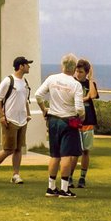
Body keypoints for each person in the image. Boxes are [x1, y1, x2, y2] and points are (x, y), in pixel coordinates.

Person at [32, 53, 85, 197]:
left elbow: (38, 95)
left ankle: (51, 187)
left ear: (62, 66)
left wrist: (44, 110)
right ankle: (64, 188)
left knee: (54, 155)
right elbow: (79, 108)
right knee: (66, 155)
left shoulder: (52, 79)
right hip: (68, 121)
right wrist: (81, 117)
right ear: (74, 68)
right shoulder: (76, 85)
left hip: (53, 119)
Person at [0, 56, 31, 185]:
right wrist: (2, 116)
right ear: (21, 66)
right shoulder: (8, 81)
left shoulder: (25, 82)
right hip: (10, 120)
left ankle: (16, 175)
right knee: (8, 149)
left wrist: (28, 114)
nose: (29, 67)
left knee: (18, 148)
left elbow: (25, 100)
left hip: (22, 120)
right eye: (27, 64)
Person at [73, 57, 99, 190]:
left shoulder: (89, 83)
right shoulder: (72, 83)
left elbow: (93, 95)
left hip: (88, 120)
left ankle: (82, 177)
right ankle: (69, 176)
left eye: (81, 72)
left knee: (85, 150)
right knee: (73, 150)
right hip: (74, 120)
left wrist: (91, 79)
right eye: (77, 71)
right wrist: (85, 97)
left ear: (86, 72)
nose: (78, 74)